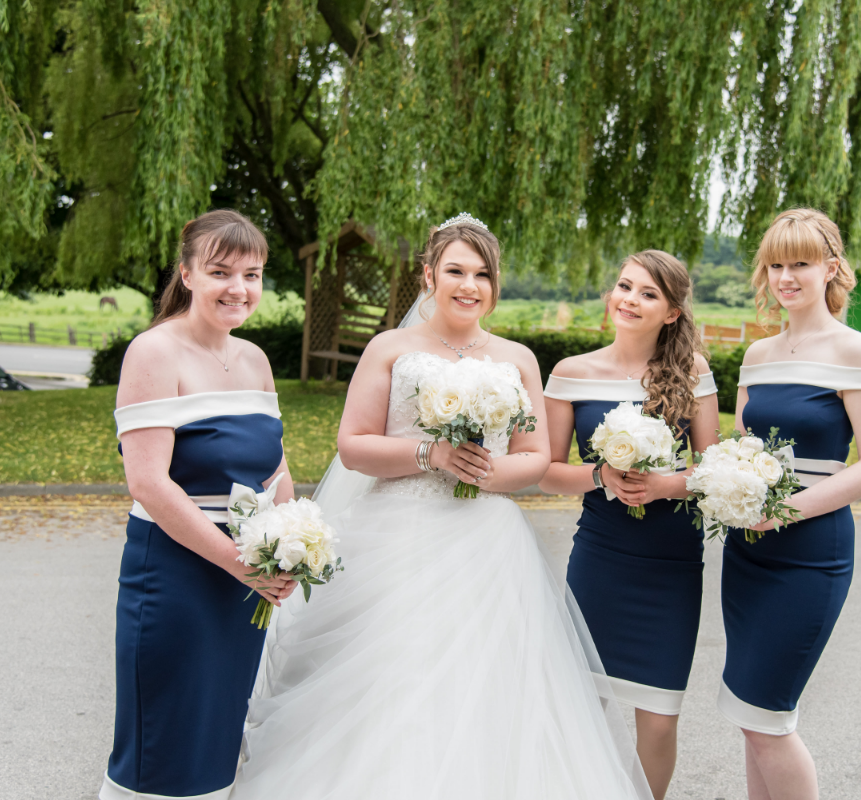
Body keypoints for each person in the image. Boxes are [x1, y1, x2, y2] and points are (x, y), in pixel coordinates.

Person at [231, 214, 652, 800]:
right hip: (395, 537)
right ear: (429, 274)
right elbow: (353, 446)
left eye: (482, 274)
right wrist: (431, 453)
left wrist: (486, 470)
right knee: (394, 679)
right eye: (455, 270)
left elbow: (535, 456)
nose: (469, 285)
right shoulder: (391, 348)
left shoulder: (517, 358)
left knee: (489, 687)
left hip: (487, 544)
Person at [102, 209, 296, 800]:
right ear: (187, 274)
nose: (239, 288)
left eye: (253, 274)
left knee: (219, 739)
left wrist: (291, 540)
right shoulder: (154, 352)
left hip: (247, 582)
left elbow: (277, 467)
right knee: (164, 747)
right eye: (220, 271)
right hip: (178, 572)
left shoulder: (256, 360)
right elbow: (150, 484)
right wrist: (241, 563)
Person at [720, 208, 861, 799]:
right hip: (747, 549)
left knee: (770, 718)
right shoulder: (758, 356)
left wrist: (786, 511)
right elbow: (743, 448)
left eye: (800, 262)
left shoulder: (855, 351)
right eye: (775, 264)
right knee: (750, 716)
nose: (786, 276)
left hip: (810, 552)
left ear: (831, 268)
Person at [538, 250, 719, 800]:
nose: (629, 299)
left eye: (647, 293)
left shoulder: (693, 374)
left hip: (671, 564)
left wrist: (665, 484)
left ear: (670, 312)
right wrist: (600, 475)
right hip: (601, 557)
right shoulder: (572, 373)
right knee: (583, 706)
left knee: (660, 718)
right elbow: (546, 472)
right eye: (624, 286)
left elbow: (713, 469)